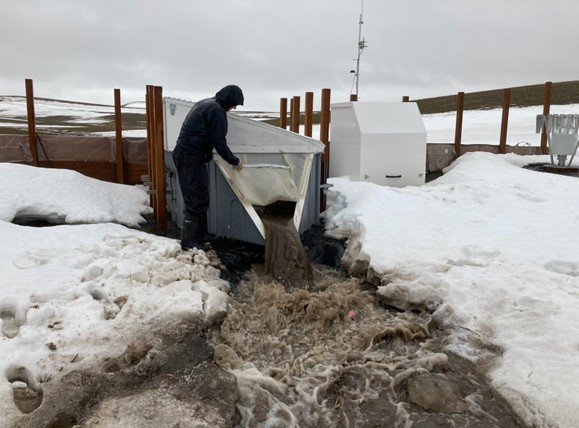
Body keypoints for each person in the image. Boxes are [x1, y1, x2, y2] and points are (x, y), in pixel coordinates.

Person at [173, 85, 245, 250]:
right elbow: (219, 142)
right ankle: (188, 242)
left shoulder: (206, 103)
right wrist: (234, 161)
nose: (233, 108)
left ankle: (202, 235)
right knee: (195, 199)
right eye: (234, 105)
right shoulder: (216, 111)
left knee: (201, 196)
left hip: (191, 155)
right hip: (190, 156)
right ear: (229, 100)